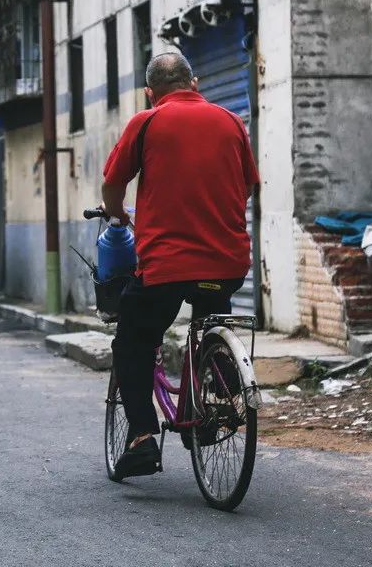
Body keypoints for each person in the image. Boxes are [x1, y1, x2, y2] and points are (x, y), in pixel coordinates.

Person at [101, 52, 259, 479]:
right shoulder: (230, 120)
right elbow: (246, 184)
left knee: (133, 340)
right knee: (209, 320)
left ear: (150, 94)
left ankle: (141, 438)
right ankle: (214, 398)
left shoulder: (146, 122)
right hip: (226, 263)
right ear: (196, 81)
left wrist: (117, 216)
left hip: (166, 268)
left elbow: (114, 183)